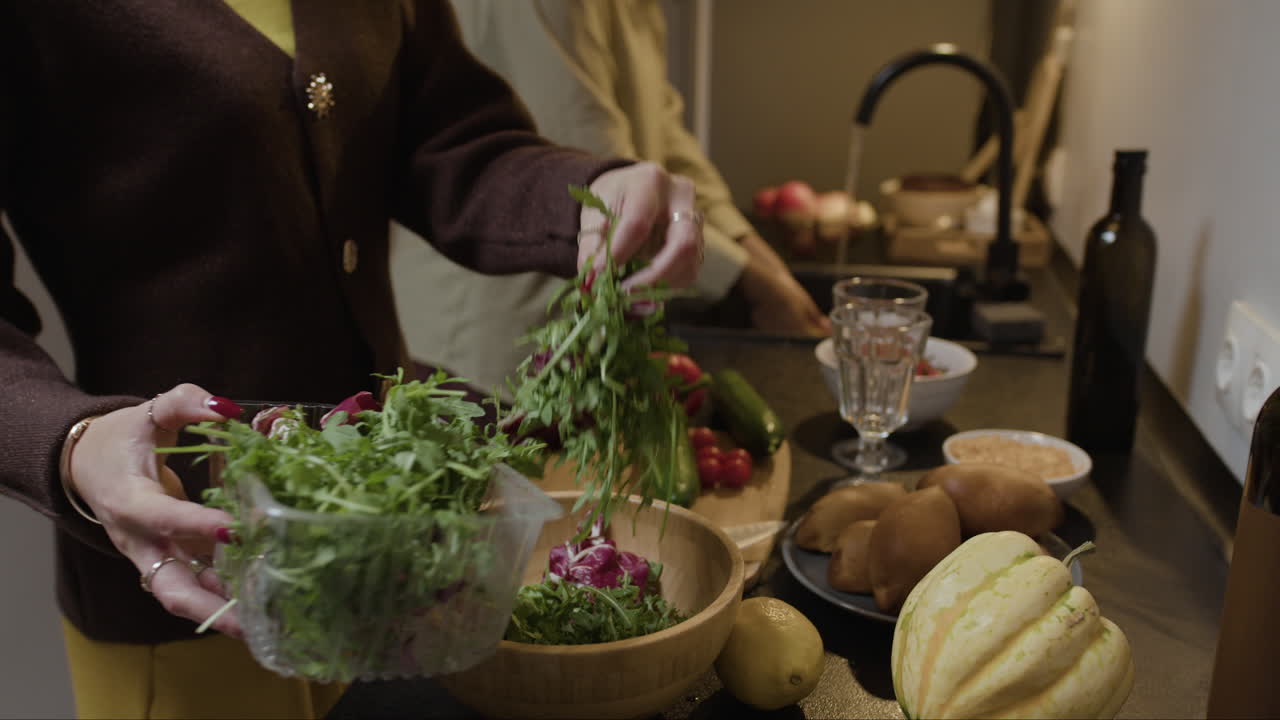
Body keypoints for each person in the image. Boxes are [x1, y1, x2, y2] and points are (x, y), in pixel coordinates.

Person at [0, 2, 703, 718]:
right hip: (189, 569)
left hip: (388, 556)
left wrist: (587, 199)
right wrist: (73, 443)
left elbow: (449, 139)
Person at [391, 0, 829, 396]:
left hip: (582, 315)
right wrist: (749, 282)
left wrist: (760, 258)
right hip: (490, 333)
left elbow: (665, 133)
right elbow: (589, 150)